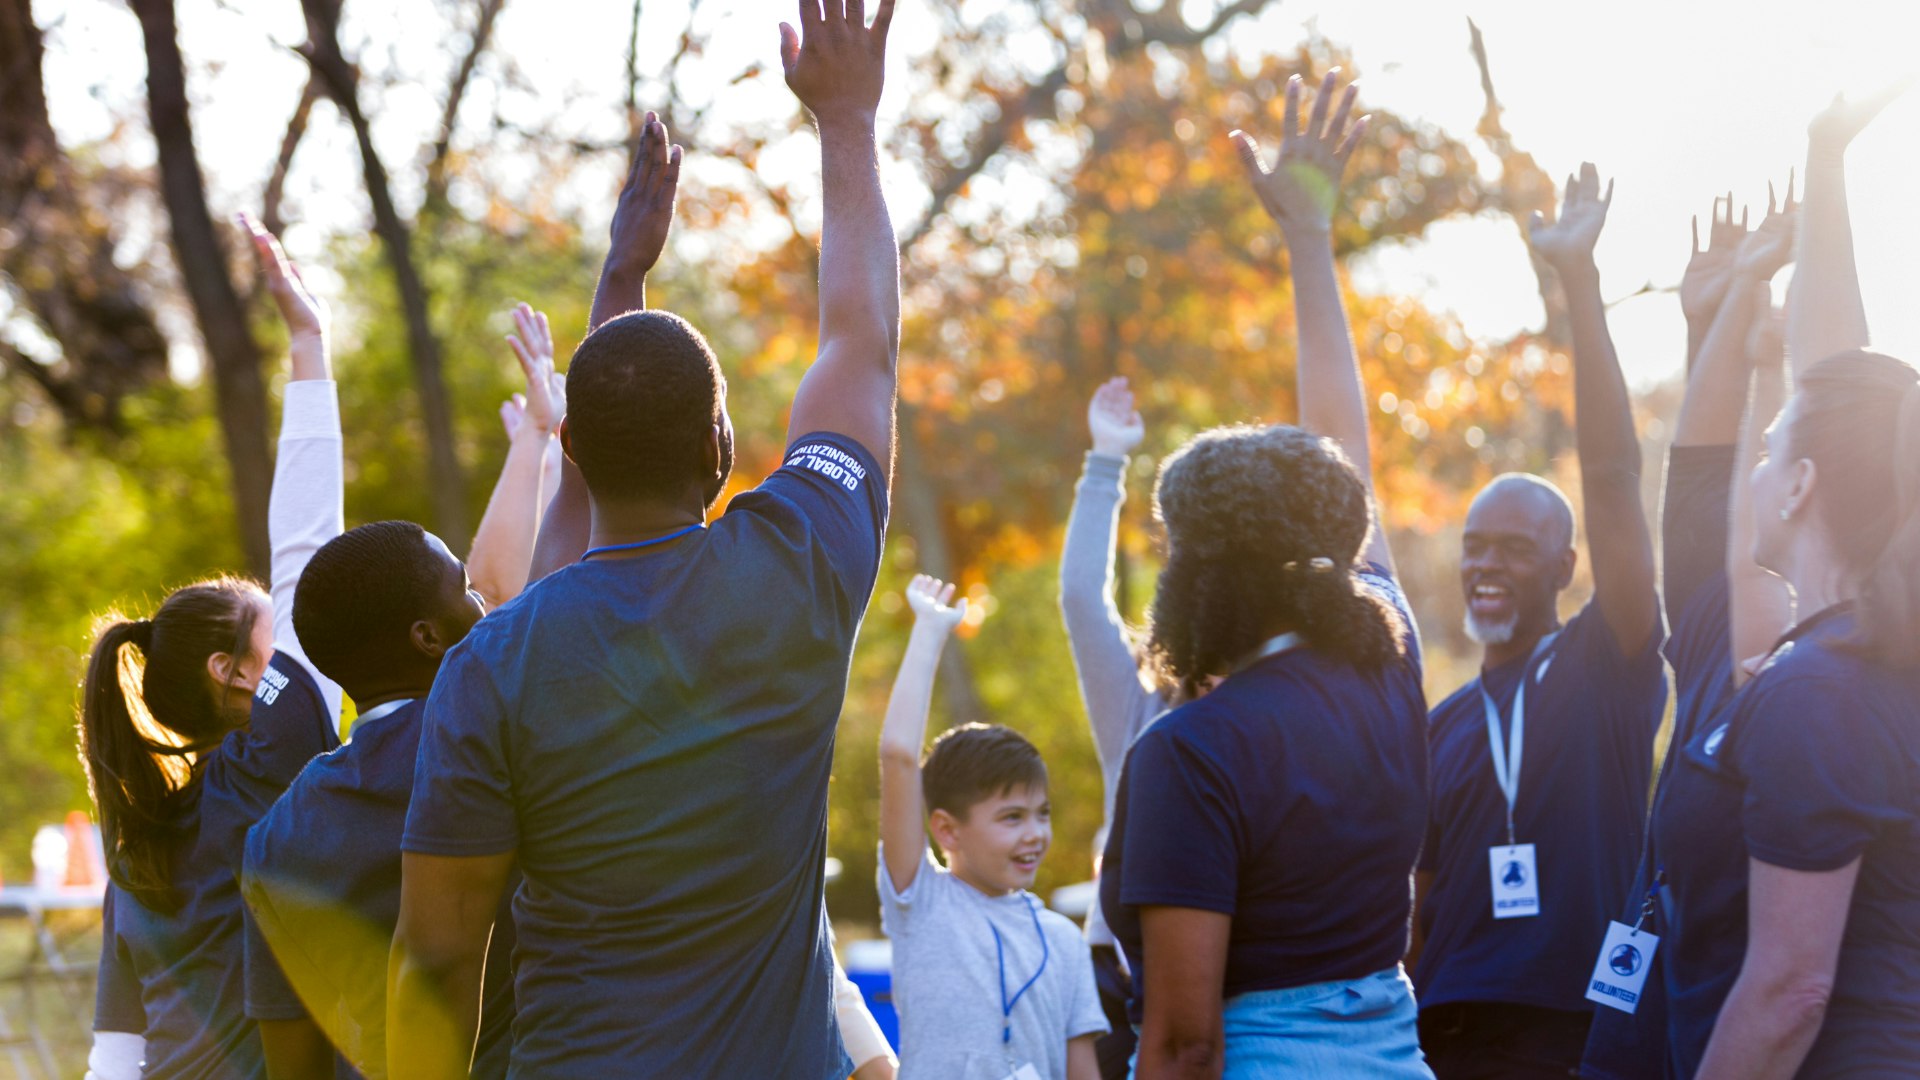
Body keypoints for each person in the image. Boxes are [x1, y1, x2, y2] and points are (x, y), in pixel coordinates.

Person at [387, 0, 904, 1066]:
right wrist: (847, 121)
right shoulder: (798, 568)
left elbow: (434, 960)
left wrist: (620, 281)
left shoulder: (499, 658)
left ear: (567, 449)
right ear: (720, 453)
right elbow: (862, 347)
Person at [1101, 71, 1433, 1078]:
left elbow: (1186, 1041)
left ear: (1199, 566)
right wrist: (1309, 241)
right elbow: (1346, 467)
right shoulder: (1388, 656)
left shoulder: (1190, 754)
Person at [1655, 85, 1920, 1080]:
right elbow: (1845, 386)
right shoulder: (1851, 664)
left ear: (1804, 486)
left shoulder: (1823, 694)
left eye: (1766, 453)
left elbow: (1790, 994)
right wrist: (1825, 162)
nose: (1750, 473)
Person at [235, 302, 567, 1080]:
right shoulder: (504, 736)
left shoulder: (275, 840)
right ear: (427, 637)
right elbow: (535, 583)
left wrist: (536, 444)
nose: (482, 600)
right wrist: (545, 442)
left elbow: (294, 1063)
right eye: (463, 591)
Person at [1411, 163, 1667, 1078]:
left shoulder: (1608, 664)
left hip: (1577, 1032)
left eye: (1514, 548)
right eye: (1475, 544)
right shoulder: (1438, 727)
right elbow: (1420, 909)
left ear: (1565, 566)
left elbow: (1611, 479)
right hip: (1444, 1039)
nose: (1485, 563)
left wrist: (1579, 285)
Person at [85, 217, 347, 1080]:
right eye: (274, 633)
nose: (299, 638)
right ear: (232, 672)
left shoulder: (141, 838)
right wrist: (308, 348)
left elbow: (115, 1050)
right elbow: (308, 552)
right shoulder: (269, 777)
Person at [1579, 188, 1797, 1080]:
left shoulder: (1832, 682)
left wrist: (1763, 346)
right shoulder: (1719, 645)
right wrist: (1726, 314)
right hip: (1634, 1029)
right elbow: (1705, 484)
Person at [878, 574, 1107, 1079]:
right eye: (1011, 818)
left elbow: (1083, 1071)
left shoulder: (1064, 942)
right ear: (947, 830)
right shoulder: (921, 903)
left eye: (1041, 813)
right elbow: (897, 758)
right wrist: (930, 633)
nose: (1034, 834)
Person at [1059, 375, 1167, 1078]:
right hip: (1114, 969)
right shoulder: (1137, 705)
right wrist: (1106, 461)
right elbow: (1080, 598)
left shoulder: (1269, 697)